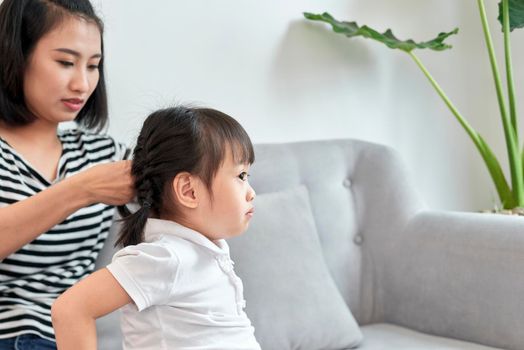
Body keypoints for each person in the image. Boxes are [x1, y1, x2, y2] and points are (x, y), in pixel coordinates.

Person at [52, 106, 262, 350]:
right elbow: (71, 309)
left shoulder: (206, 251)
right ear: (189, 191)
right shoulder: (165, 257)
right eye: (241, 175)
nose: (251, 192)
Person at [0, 0, 134, 348]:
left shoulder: (103, 153)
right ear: (15, 54)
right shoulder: (92, 175)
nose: (82, 83)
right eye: (65, 62)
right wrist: (82, 189)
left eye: (93, 66)